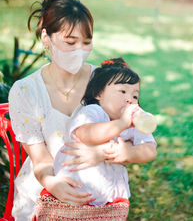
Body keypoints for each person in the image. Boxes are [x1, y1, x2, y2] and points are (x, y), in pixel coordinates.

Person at [8, 0, 156, 221]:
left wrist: (106, 153)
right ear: (46, 38)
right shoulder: (26, 91)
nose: (80, 50)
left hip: (98, 201)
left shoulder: (107, 82)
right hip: (43, 194)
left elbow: (134, 132)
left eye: (86, 42)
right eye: (70, 42)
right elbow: (41, 160)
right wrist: (53, 183)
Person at [33, 58, 157, 221]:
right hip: (73, 194)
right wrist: (121, 124)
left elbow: (150, 151)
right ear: (99, 94)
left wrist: (127, 152)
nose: (130, 99)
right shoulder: (93, 112)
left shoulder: (132, 122)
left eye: (135, 95)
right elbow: (86, 134)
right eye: (122, 92)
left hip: (109, 202)